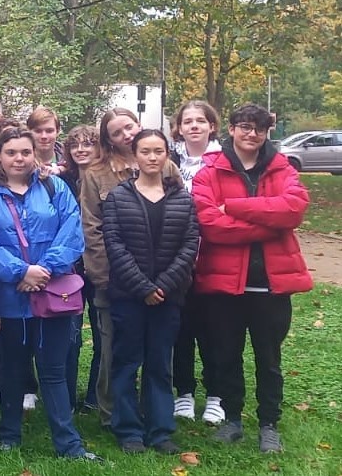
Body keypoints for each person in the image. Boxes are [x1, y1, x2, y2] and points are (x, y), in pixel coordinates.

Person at [0, 127, 98, 461]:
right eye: (11, 152)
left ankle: (68, 443)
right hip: (10, 297)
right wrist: (20, 271)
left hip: (53, 294)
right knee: (12, 366)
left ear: (34, 153)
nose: (19, 158)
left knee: (53, 370)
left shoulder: (54, 188)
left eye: (25, 152)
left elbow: (72, 230)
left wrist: (43, 271)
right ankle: (9, 435)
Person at [193, 103, 312, 453]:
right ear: (230, 129)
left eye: (259, 129)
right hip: (224, 284)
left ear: (266, 133)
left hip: (271, 285)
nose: (252, 134)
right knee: (225, 355)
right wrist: (267, 224)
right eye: (244, 126)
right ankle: (232, 419)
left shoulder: (282, 168)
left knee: (269, 358)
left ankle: (268, 423)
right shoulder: (210, 171)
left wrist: (235, 207)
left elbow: (293, 209)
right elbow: (210, 225)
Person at [102, 129, 199, 455]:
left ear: (167, 154)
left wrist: (164, 285)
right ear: (136, 155)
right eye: (146, 151)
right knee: (127, 362)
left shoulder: (182, 198)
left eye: (159, 151)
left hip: (168, 297)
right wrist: (143, 287)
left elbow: (190, 244)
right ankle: (128, 430)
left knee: (160, 364)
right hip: (129, 296)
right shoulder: (118, 197)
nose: (153, 157)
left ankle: (160, 431)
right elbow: (114, 245)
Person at [78, 106, 140, 426]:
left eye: (128, 127)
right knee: (111, 345)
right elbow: (91, 226)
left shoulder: (160, 164)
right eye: (117, 132)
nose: (125, 135)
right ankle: (110, 411)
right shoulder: (95, 174)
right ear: (109, 140)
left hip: (155, 274)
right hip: (113, 275)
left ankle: (151, 407)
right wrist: (101, 274)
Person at [169, 100, 223, 423]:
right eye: (187, 121)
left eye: (200, 121)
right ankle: (184, 393)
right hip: (176, 261)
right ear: (179, 127)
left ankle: (216, 395)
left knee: (214, 331)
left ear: (211, 126)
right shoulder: (169, 159)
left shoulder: (223, 162)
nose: (193, 126)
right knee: (181, 331)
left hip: (213, 258)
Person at [58, 124, 100, 411]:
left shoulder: (108, 179)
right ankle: (67, 398)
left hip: (100, 267)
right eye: (76, 145)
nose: (81, 149)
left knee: (102, 333)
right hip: (71, 267)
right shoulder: (63, 181)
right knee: (70, 336)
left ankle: (97, 397)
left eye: (88, 144)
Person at [28, 106, 65, 179]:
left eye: (49, 131)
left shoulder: (70, 161)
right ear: (29, 132)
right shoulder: (20, 163)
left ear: (57, 132)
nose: (44, 136)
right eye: (38, 131)